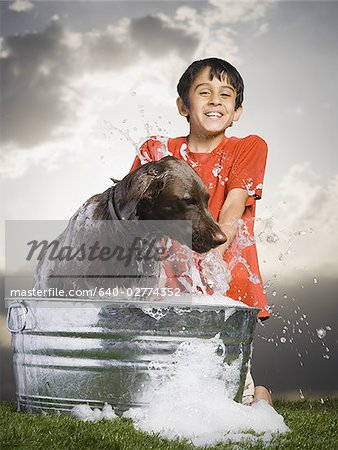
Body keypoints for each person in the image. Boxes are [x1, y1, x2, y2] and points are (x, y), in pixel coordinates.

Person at [130, 57, 272, 405]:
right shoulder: (157, 150)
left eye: (226, 95)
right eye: (203, 92)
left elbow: (234, 206)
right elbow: (135, 209)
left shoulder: (248, 147)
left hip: (225, 271)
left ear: (237, 110)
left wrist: (213, 257)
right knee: (165, 376)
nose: (214, 101)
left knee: (230, 385)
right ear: (183, 105)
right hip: (167, 275)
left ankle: (258, 395)